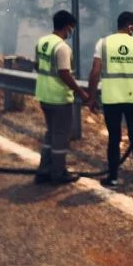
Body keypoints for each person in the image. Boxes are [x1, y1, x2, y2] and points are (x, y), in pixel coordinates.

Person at [88, 11, 133, 188]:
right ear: (130, 25)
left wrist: (91, 96)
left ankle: (112, 178)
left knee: (114, 138)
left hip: (111, 99)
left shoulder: (103, 43)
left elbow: (95, 71)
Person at [34, 10, 91, 184]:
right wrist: (81, 92)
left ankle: (44, 169)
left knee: (50, 134)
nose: (71, 32)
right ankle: (58, 173)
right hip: (59, 98)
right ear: (67, 27)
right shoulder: (62, 48)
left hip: (43, 95)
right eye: (71, 28)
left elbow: (38, 66)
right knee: (61, 136)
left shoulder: (42, 42)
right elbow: (65, 74)